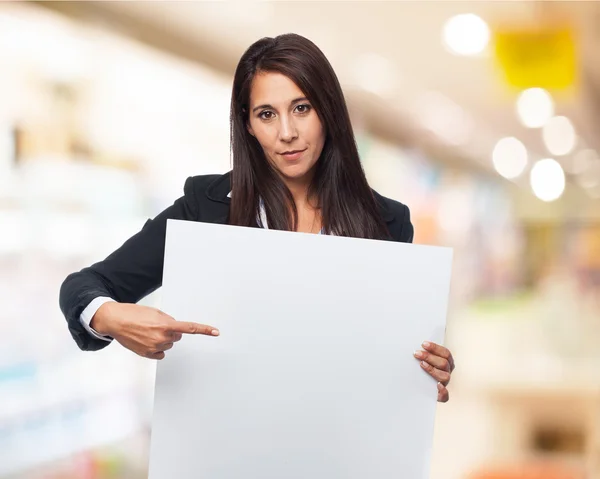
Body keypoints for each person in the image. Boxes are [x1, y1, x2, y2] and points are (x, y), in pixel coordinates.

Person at [59, 33, 455, 403]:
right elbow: (84, 285)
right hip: (225, 440)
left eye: (302, 108)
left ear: (328, 112)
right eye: (267, 114)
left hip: (338, 444)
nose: (287, 132)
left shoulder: (387, 222)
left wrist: (426, 369)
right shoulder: (207, 208)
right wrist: (110, 316)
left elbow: (390, 350)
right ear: (248, 125)